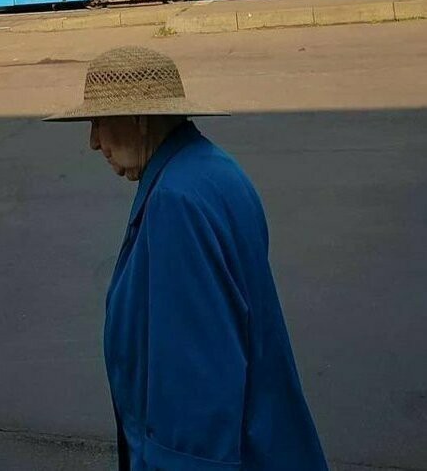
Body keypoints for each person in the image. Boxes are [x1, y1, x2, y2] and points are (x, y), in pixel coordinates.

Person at [46, 47, 328, 471]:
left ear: (138, 118)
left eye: (99, 121)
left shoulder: (175, 201)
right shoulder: (212, 169)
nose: (92, 142)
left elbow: (194, 391)